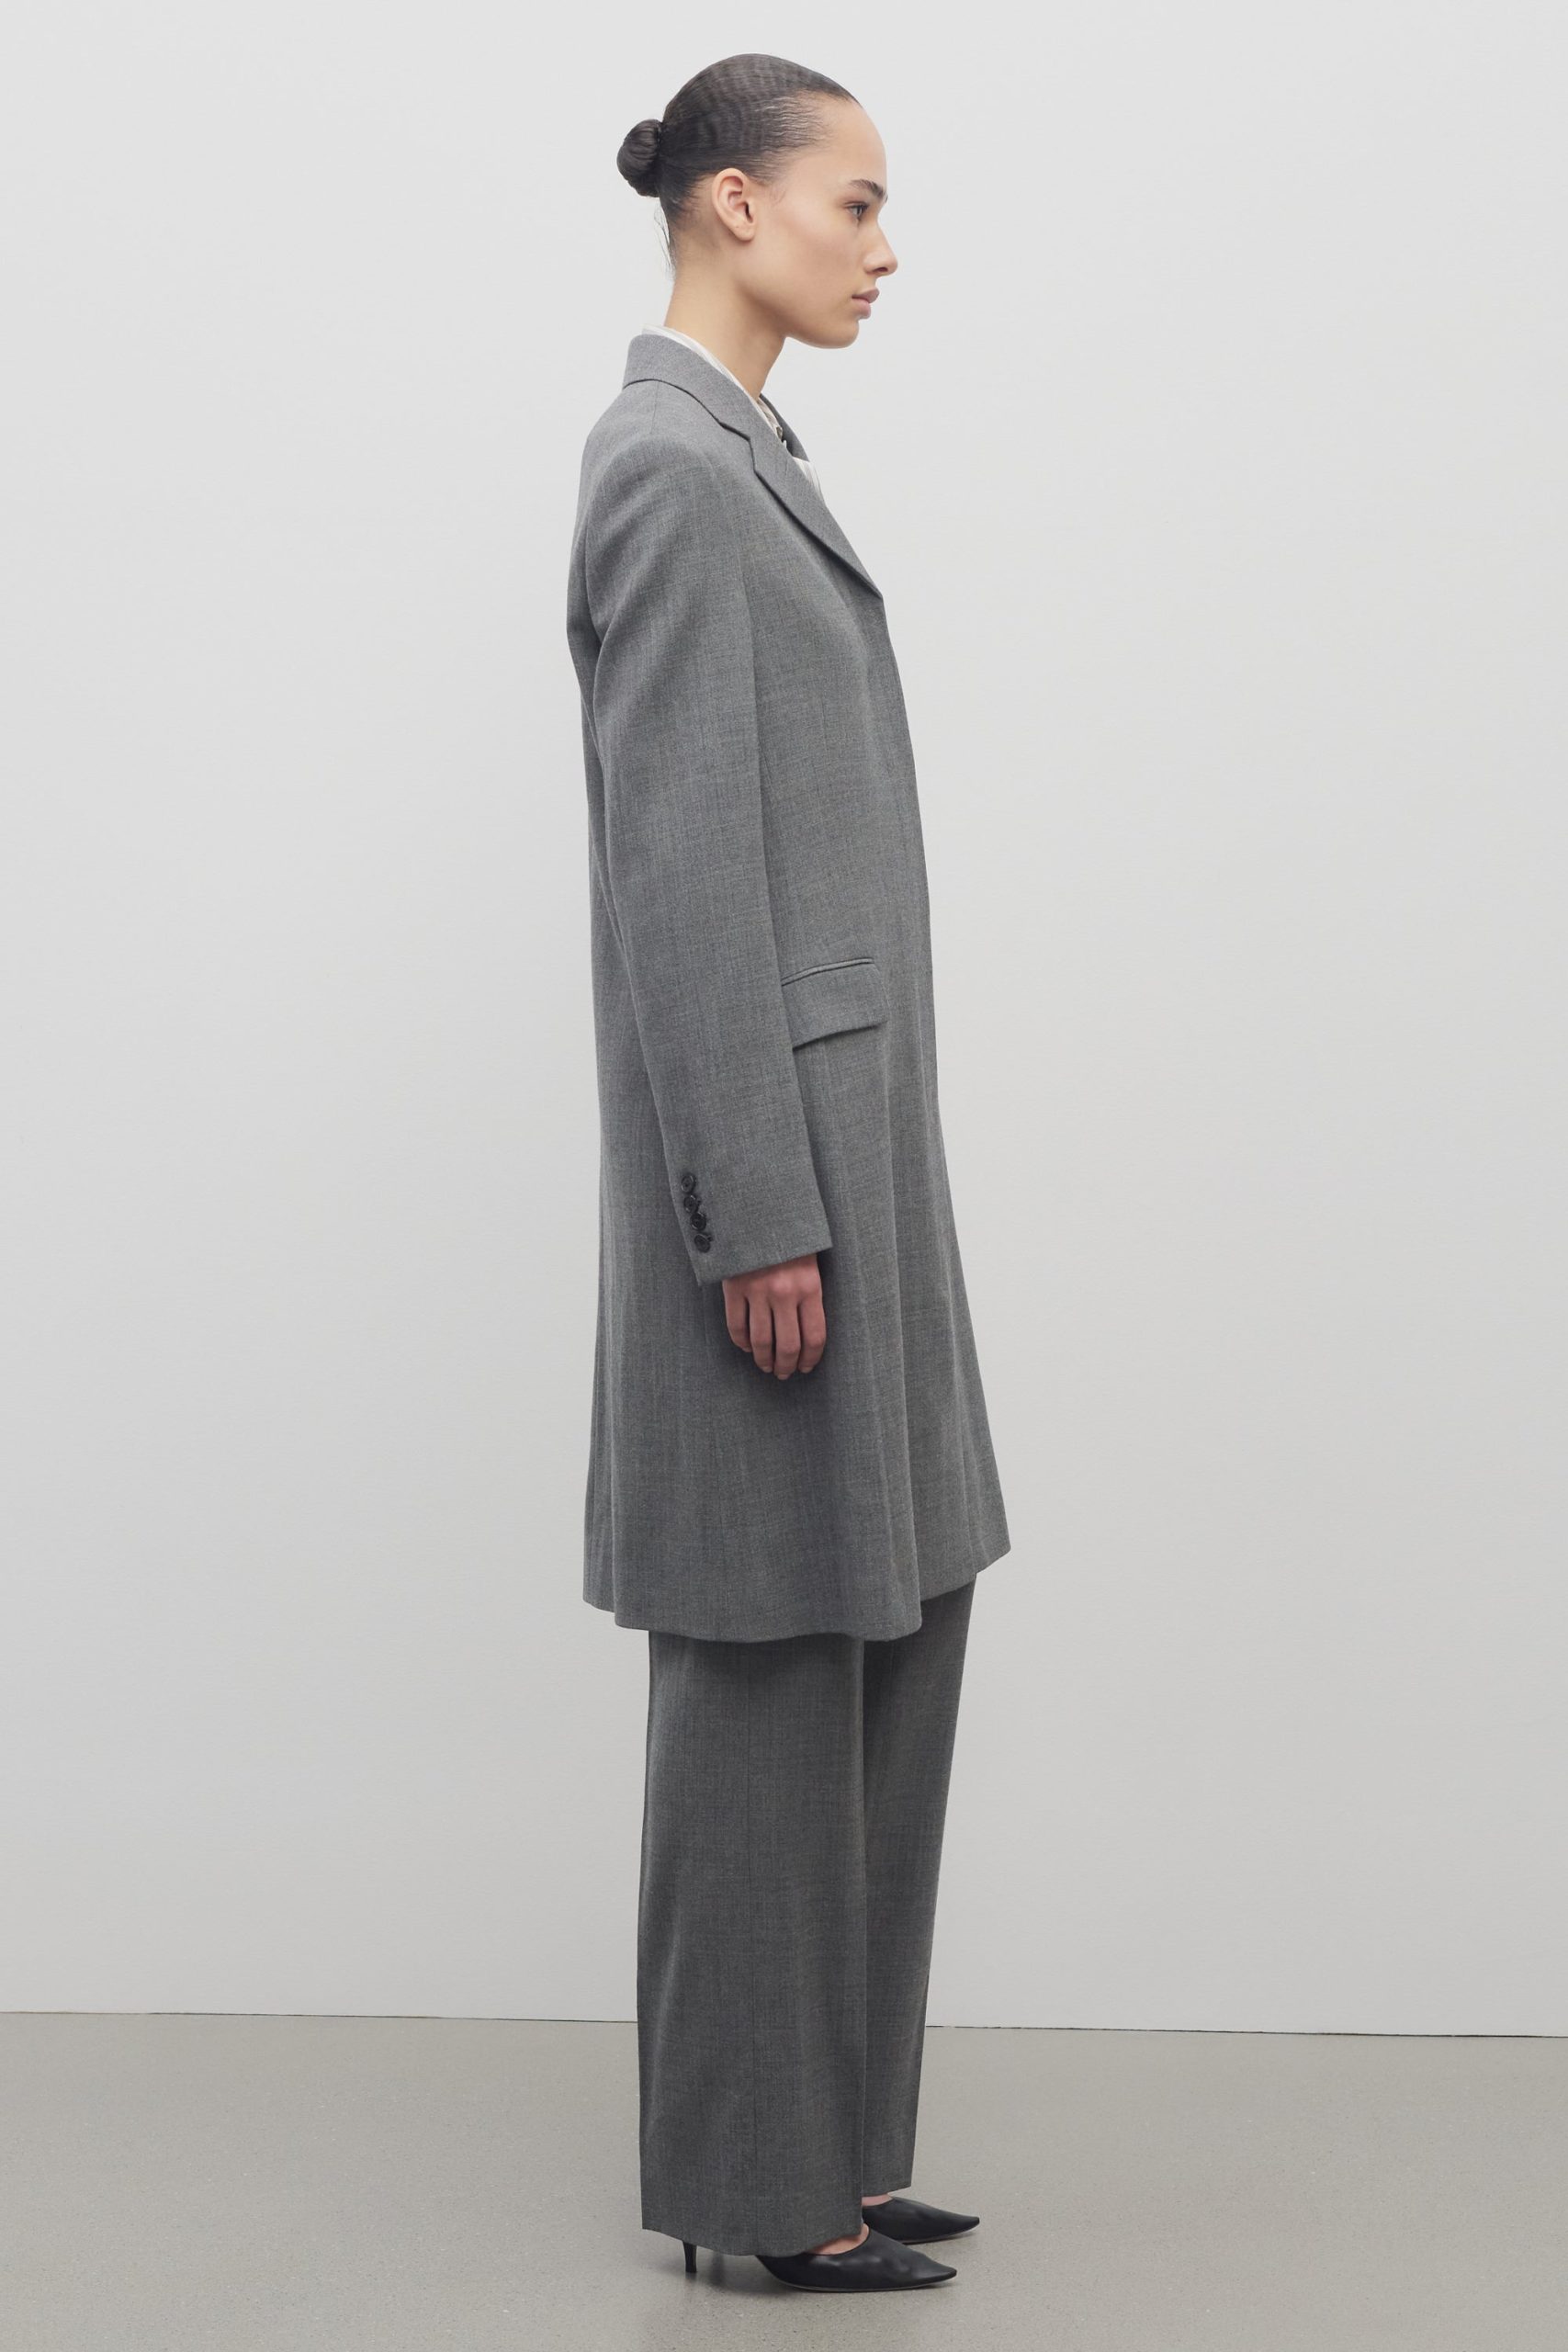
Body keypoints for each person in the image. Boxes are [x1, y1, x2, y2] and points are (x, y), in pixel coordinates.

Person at [564, 52, 1011, 2295]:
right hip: (777, 1194)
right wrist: (754, 1209)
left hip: (857, 1163)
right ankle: (760, 2193)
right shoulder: (665, 468)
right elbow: (679, 886)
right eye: (853, 201)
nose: (881, 245)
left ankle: (828, 2132)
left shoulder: (747, 455)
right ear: (734, 204)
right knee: (761, 1664)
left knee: (894, 1618)